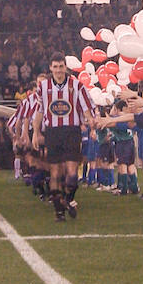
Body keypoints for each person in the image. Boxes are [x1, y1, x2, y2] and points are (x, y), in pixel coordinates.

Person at [31, 55, 96, 222]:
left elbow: (87, 109)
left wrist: (92, 125)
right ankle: (59, 212)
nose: (58, 70)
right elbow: (39, 110)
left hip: (71, 132)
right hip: (52, 132)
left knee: (72, 173)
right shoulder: (43, 87)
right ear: (51, 69)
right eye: (55, 67)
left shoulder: (77, 86)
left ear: (65, 67)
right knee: (55, 173)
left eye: (61, 66)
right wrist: (35, 133)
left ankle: (67, 199)